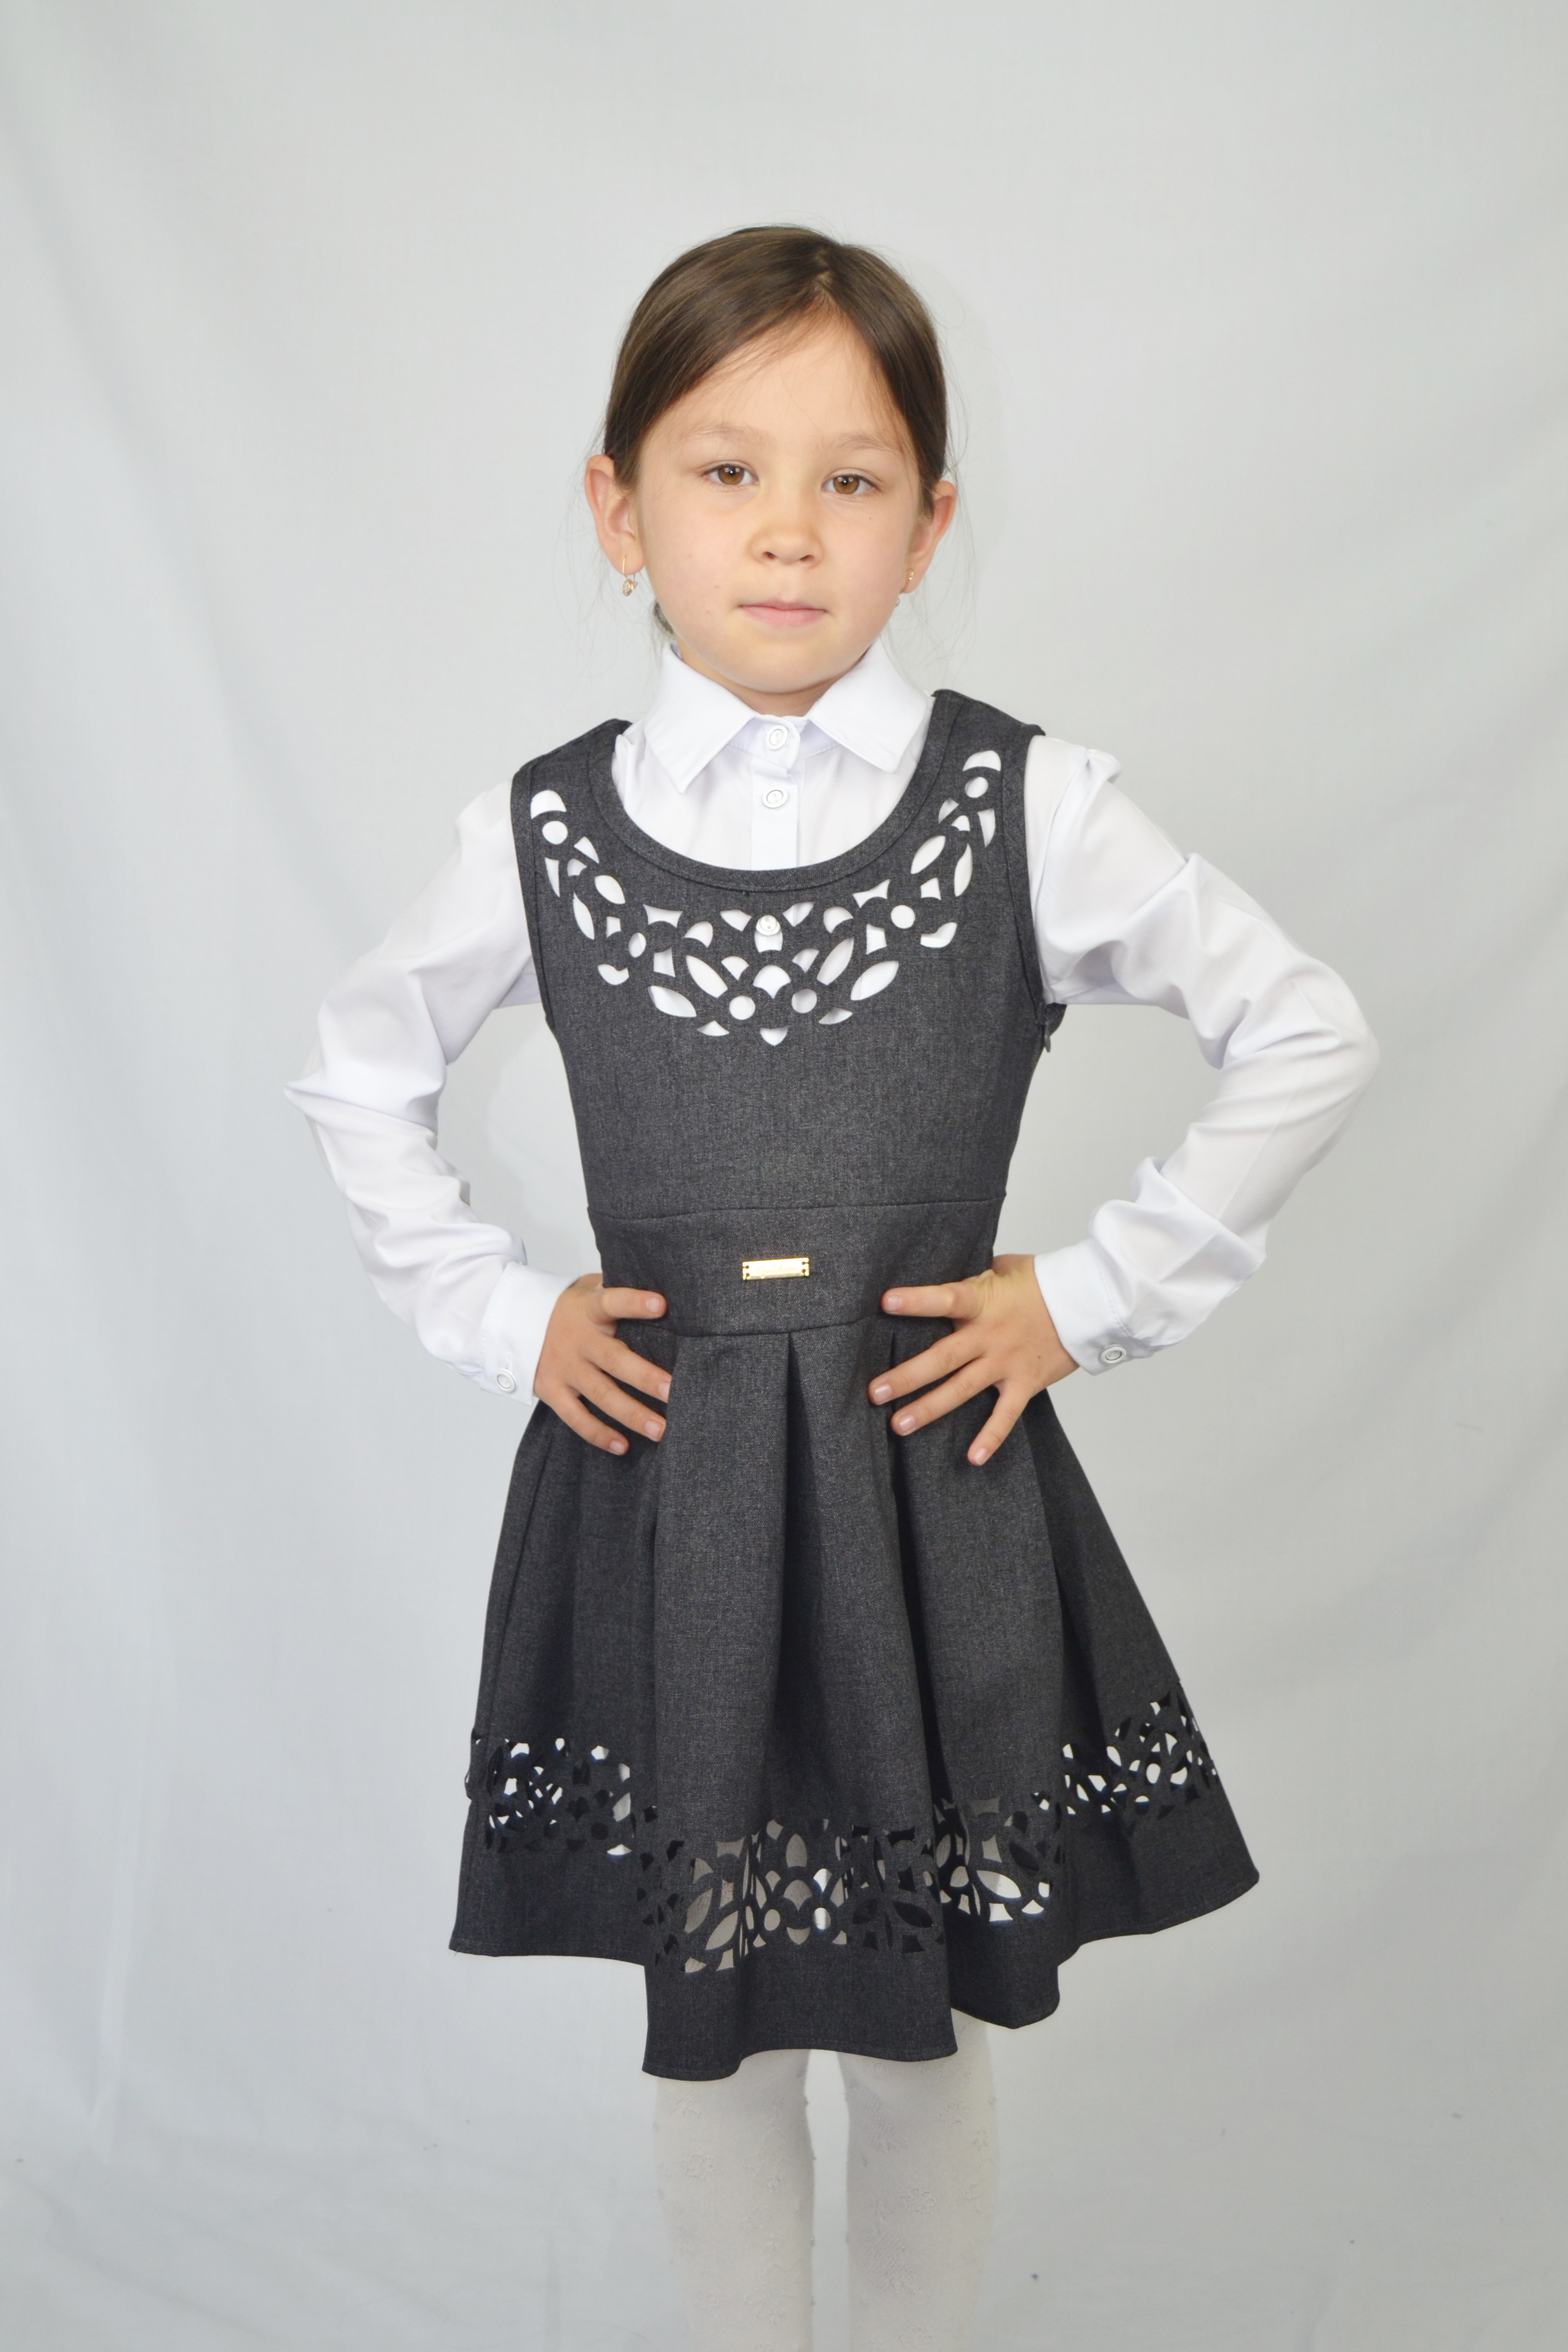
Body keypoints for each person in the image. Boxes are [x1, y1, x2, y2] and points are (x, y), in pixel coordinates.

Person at [288, 225, 1378, 2351]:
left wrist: (1091, 1291)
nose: (789, 529)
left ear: (929, 523)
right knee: (712, 2017)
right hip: (670, 1493)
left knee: (916, 2025)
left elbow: (1305, 1029)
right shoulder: (546, 830)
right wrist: (509, 1317)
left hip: (921, 1492)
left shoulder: (1024, 803)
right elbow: (356, 1071)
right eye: (726, 472)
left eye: (851, 479)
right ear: (620, 509)